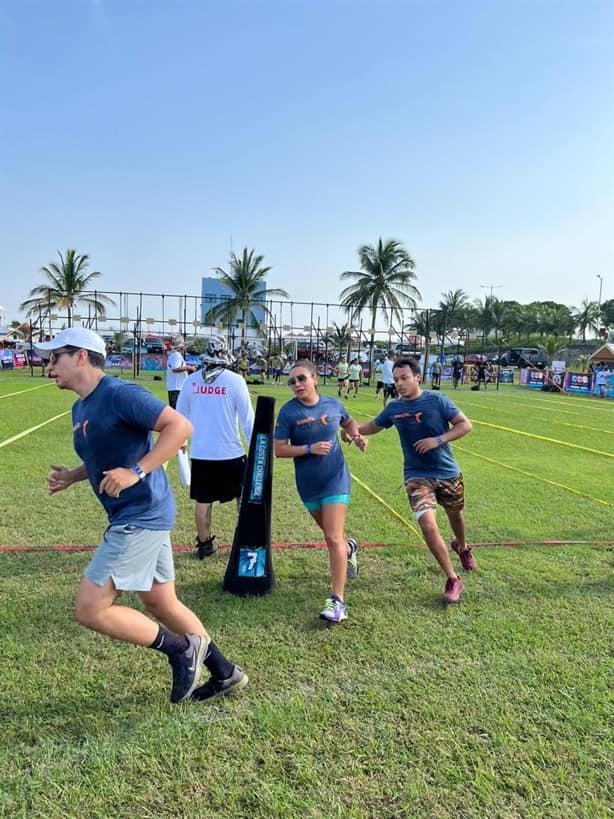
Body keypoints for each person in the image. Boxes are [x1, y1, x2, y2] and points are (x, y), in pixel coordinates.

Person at [35, 327, 247, 703]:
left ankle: (181, 650)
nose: (49, 365)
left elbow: (179, 427)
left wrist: (136, 472)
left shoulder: (118, 393)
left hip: (141, 514)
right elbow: (103, 455)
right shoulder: (81, 406)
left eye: (55, 357)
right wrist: (72, 475)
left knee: (90, 607)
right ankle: (225, 673)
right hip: (137, 513)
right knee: (161, 602)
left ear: (81, 356)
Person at [356, 357, 475, 604]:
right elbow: (372, 426)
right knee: (428, 524)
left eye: (404, 378)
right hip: (416, 476)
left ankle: (462, 547)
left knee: (455, 515)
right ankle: (453, 579)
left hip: (447, 473)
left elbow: (465, 425)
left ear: (417, 377)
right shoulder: (394, 409)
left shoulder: (437, 400)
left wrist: (438, 440)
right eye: (396, 379)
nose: (399, 384)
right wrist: (352, 430)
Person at [274, 360, 367, 623]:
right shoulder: (288, 413)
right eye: (292, 381)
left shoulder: (333, 404)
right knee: (332, 536)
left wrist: (356, 437)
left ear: (315, 379)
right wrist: (308, 449)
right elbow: (279, 449)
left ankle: (338, 602)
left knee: (332, 537)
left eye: (301, 379)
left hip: (336, 479)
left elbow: (349, 423)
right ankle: (350, 548)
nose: (297, 385)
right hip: (308, 484)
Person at [176, 335, 254, 559]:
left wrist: (181, 443)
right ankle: (247, 540)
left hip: (202, 454)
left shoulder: (191, 382)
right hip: (232, 452)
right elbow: (248, 420)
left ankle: (204, 545)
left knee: (203, 501)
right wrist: (258, 450)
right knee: (243, 498)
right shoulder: (235, 380)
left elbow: (179, 418)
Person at [166, 336, 195, 409]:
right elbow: (175, 369)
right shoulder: (176, 355)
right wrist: (189, 367)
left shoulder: (176, 355)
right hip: (176, 387)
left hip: (177, 387)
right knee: (177, 410)